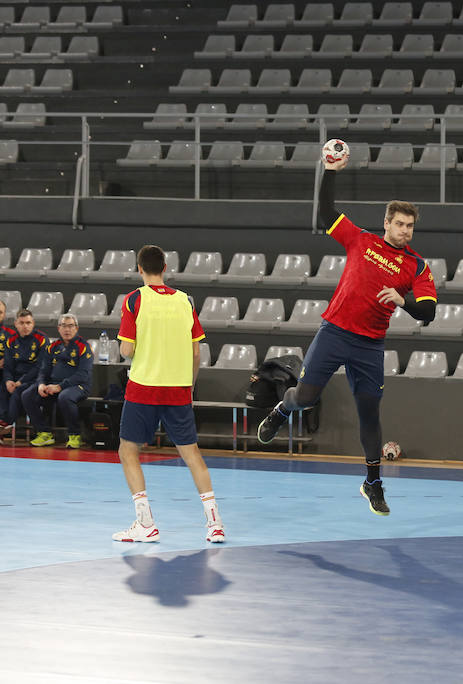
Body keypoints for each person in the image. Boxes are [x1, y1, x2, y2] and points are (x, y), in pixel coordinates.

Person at [256, 147, 438, 516]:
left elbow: (429, 313)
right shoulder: (361, 240)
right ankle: (282, 408)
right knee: (304, 396)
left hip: (370, 345)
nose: (404, 231)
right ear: (386, 223)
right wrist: (330, 170)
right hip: (335, 332)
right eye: (399, 224)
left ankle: (373, 483)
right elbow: (326, 213)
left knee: (370, 414)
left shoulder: (416, 266)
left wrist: (402, 302)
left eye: (410, 226)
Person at [113, 244, 224, 543]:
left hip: (143, 388)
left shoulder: (134, 300)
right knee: (192, 455)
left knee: (128, 451)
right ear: (165, 268)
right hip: (177, 388)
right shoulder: (185, 302)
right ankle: (214, 524)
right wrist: (188, 386)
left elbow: (127, 349)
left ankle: (145, 523)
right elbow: (197, 353)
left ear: (139, 269)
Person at [22, 313, 93, 448]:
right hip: (54, 386)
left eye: (71, 326)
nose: (67, 329)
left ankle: (75, 435)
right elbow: (43, 370)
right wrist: (41, 384)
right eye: (63, 326)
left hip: (78, 386)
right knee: (28, 395)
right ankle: (44, 433)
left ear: (76, 328)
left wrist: (60, 386)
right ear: (58, 328)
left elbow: (83, 374)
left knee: (65, 397)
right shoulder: (52, 347)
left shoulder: (84, 346)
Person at [0, 309, 48, 439]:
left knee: (18, 392)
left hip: (34, 379)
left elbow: (40, 367)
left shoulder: (42, 339)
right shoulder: (10, 340)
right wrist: (8, 380)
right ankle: (2, 424)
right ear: (16, 324)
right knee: (3, 388)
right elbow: (8, 366)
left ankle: (6, 424)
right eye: (21, 323)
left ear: (33, 323)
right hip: (15, 378)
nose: (25, 326)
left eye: (28, 323)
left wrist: (19, 382)